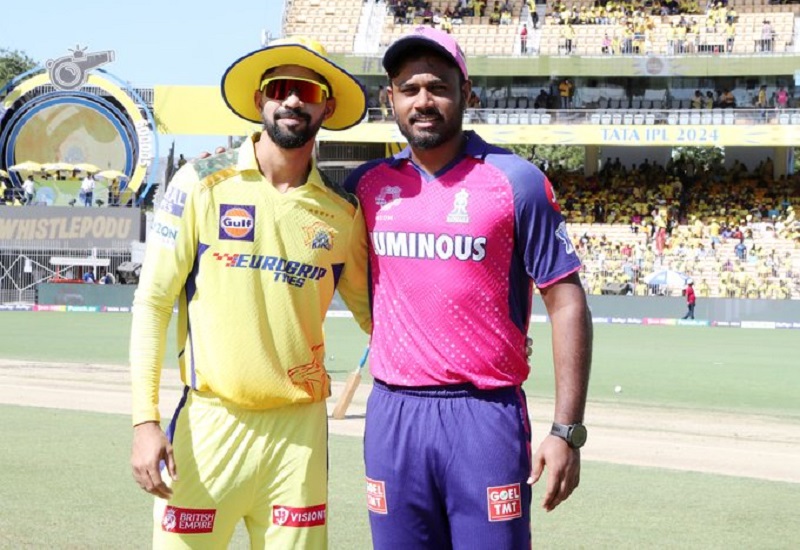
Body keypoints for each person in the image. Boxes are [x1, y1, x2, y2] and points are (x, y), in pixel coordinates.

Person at [344, 27, 592, 549]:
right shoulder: (365, 186)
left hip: (484, 416)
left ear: (466, 93)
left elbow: (566, 300)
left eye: (438, 87)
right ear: (390, 98)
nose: (423, 101)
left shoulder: (515, 181)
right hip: (393, 416)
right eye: (409, 89)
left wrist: (566, 430)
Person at [129, 35, 371, 549]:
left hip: (298, 438)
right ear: (260, 100)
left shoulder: (342, 213)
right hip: (210, 424)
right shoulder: (200, 183)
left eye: (307, 91)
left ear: (327, 107)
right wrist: (144, 421)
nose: (292, 100)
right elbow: (153, 303)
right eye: (279, 88)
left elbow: (378, 316)